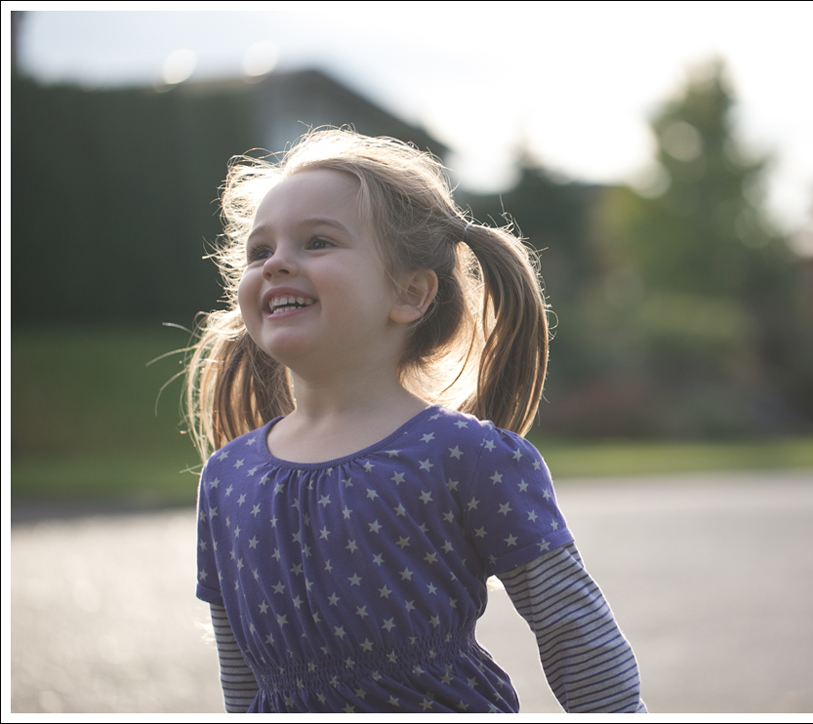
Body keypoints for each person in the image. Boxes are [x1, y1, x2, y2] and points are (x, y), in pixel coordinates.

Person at [187, 127, 646, 713]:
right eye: (260, 251)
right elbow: (241, 674)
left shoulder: (464, 455)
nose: (277, 264)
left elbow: (571, 624)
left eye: (318, 242)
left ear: (410, 294)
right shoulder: (227, 478)